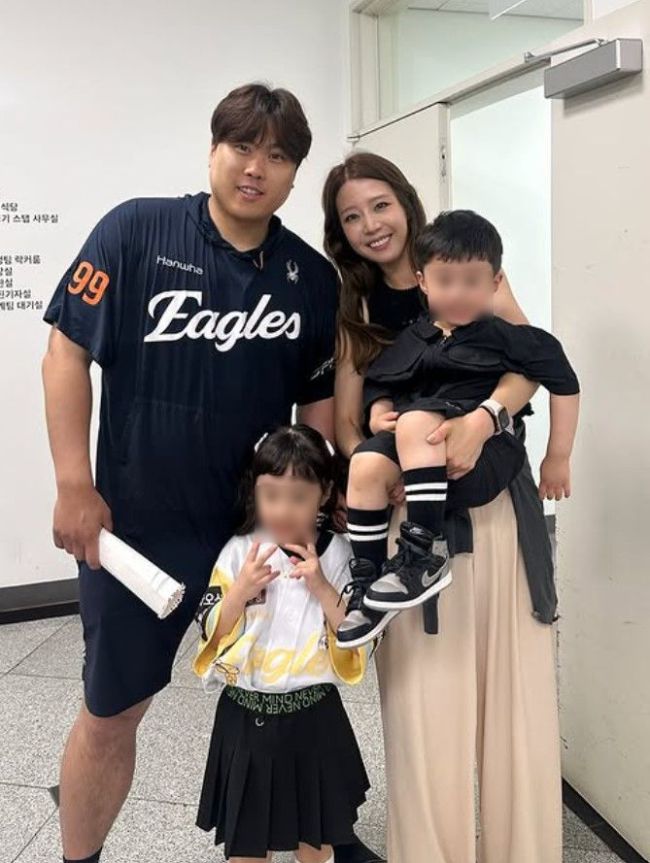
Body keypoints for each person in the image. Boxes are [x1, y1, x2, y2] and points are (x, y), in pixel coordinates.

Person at [41, 84, 381, 863]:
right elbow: (65, 351)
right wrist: (72, 483)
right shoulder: (135, 230)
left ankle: (323, 826)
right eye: (242, 146)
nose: (256, 167)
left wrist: (318, 509)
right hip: (138, 528)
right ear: (214, 150)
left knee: (300, 685)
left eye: (278, 155)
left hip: (254, 528)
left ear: (294, 172)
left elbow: (315, 404)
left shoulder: (309, 277)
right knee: (114, 710)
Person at [322, 151, 571, 862]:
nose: (371, 224)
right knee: (424, 706)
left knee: (511, 692)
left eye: (380, 204)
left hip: (492, 501)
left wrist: (484, 419)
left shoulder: (469, 267)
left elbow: (530, 368)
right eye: (352, 216)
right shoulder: (358, 312)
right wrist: (386, 453)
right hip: (410, 518)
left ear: (406, 202)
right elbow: (348, 424)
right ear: (341, 233)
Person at [337, 210, 579, 646]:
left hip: (483, 456)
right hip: (419, 455)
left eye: (472, 281)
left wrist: (557, 456)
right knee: (365, 463)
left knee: (416, 421)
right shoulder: (415, 337)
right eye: (445, 281)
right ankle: (369, 586)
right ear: (423, 282)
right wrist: (378, 411)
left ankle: (423, 556)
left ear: (495, 282)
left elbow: (564, 381)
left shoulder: (507, 337)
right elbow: (381, 381)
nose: (458, 293)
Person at [192, 425, 370, 863]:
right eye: (270, 495)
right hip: (245, 713)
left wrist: (322, 586)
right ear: (254, 490)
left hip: (315, 716)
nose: (283, 510)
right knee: (246, 844)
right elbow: (212, 629)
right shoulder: (239, 551)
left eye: (298, 497)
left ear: (324, 493)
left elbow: (354, 632)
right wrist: (239, 592)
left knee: (317, 839)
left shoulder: (338, 554)